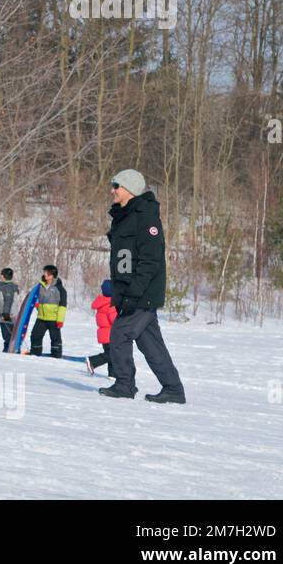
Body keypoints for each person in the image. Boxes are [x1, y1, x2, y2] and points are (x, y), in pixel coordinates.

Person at [99, 169, 185, 403]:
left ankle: (124, 385)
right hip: (128, 291)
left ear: (129, 189)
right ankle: (173, 389)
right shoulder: (124, 216)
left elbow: (149, 260)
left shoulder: (146, 217)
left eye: (116, 186)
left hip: (140, 293)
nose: (112, 190)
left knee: (119, 333)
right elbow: (125, 255)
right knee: (150, 344)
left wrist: (133, 292)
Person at [86, 280, 118, 377]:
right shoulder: (110, 305)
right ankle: (92, 361)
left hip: (104, 335)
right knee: (112, 354)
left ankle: (113, 375)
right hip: (110, 335)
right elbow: (114, 320)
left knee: (112, 355)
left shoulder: (102, 303)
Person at [0, 267, 20, 351]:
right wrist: (13, 314)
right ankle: (12, 349)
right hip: (13, 316)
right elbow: (15, 302)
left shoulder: (1, 287)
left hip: (4, 316)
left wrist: (1, 314)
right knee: (12, 334)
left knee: (6, 335)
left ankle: (8, 350)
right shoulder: (15, 287)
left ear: (2, 276)